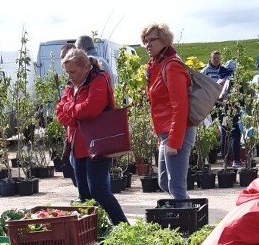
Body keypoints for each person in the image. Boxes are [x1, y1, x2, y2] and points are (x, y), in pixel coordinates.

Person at [55, 47, 128, 225]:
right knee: (85, 195)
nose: (70, 76)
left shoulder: (100, 79)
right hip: (78, 145)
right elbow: (60, 112)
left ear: (86, 67)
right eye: (67, 72)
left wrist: (71, 110)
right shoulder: (71, 85)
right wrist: (75, 116)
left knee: (98, 190)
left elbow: (91, 109)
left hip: (98, 144)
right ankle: (93, 231)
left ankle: (122, 226)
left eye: (73, 71)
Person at [142, 22, 195, 201]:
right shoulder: (156, 65)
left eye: (152, 40)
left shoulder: (172, 65)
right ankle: (185, 214)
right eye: (145, 41)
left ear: (164, 41)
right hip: (165, 132)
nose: (148, 44)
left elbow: (180, 106)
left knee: (176, 186)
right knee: (164, 182)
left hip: (177, 131)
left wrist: (173, 140)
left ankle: (187, 225)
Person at [201, 50, 240, 166]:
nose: (216, 60)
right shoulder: (205, 71)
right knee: (211, 127)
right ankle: (212, 154)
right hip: (210, 102)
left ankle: (225, 157)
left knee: (223, 128)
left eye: (218, 58)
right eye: (214, 58)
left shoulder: (223, 71)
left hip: (221, 103)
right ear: (210, 58)